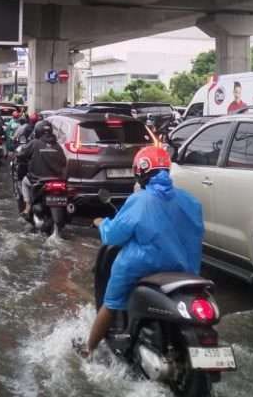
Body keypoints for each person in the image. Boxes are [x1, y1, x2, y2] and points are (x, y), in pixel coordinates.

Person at [81, 147, 204, 358]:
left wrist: (102, 223)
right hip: (185, 269)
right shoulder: (190, 200)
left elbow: (113, 236)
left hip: (142, 267)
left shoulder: (140, 200)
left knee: (110, 304)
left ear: (140, 173)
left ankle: (88, 350)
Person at [17, 120, 67, 218]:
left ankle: (27, 207)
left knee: (24, 182)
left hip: (37, 179)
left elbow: (21, 155)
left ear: (37, 131)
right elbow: (63, 162)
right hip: (57, 180)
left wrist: (18, 155)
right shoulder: (57, 145)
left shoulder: (34, 143)